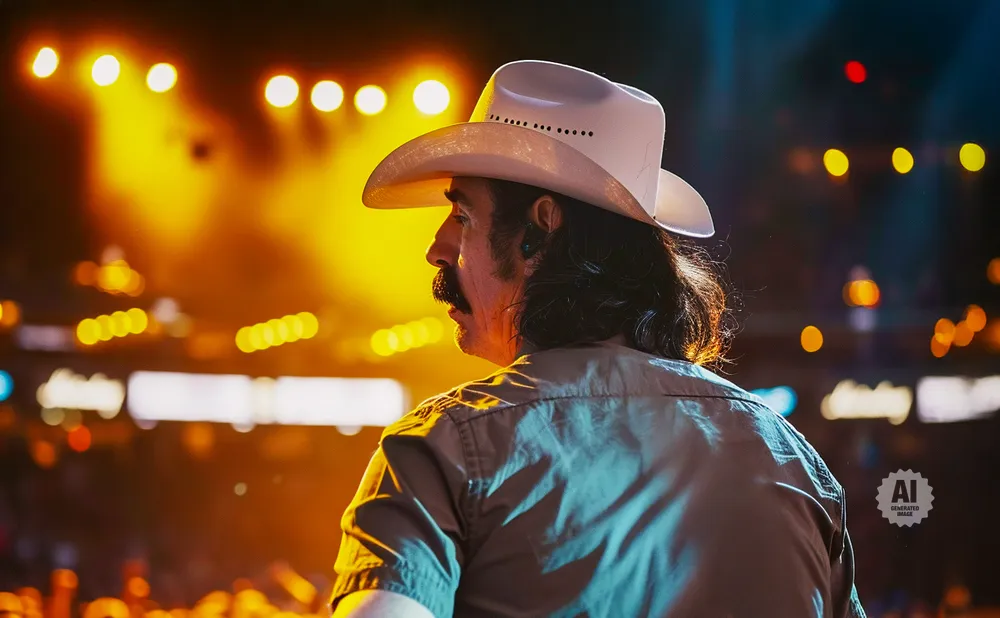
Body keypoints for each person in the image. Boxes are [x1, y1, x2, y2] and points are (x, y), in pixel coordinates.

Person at [330, 60, 867, 618]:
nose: (437, 248)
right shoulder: (791, 459)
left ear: (539, 230)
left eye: (462, 215)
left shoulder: (444, 449)